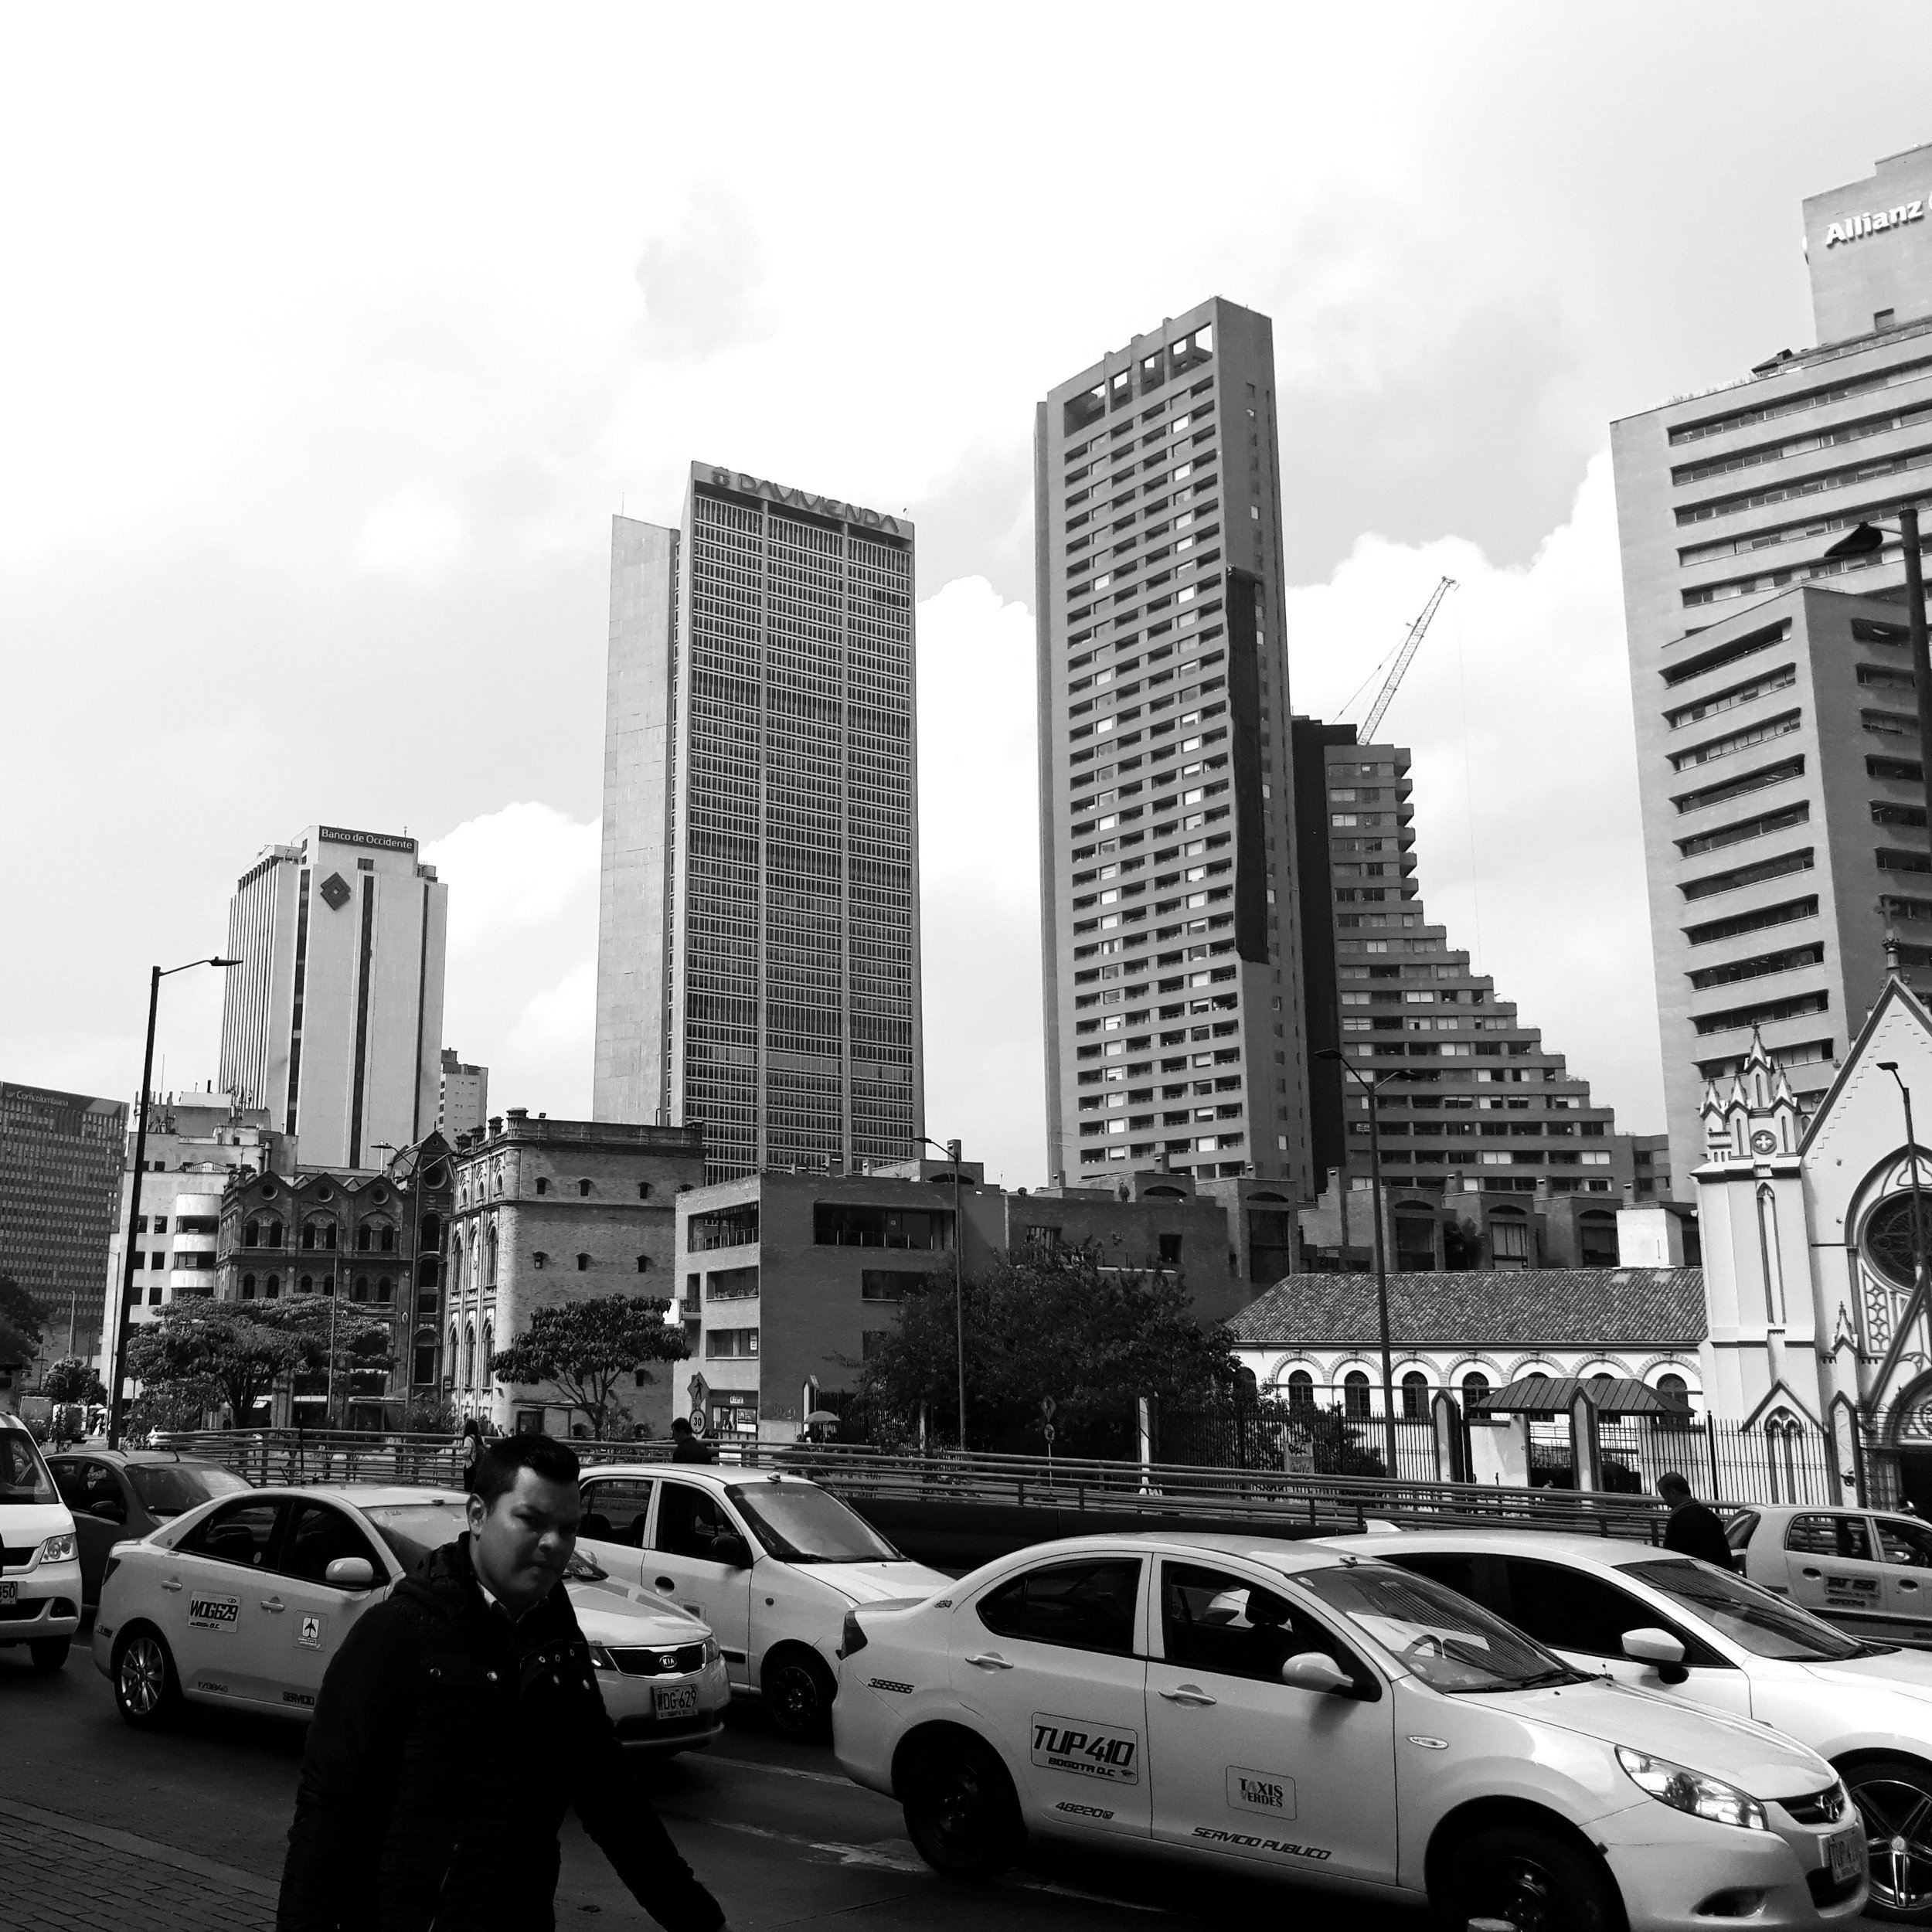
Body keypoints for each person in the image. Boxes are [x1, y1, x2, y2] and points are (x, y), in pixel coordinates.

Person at [276, 1434, 726, 1932]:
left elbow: (612, 1801)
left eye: (568, 1529)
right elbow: (327, 1814)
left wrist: (700, 1921)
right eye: (531, 1521)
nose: (553, 1544)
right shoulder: (398, 1632)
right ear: (477, 1515)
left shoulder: (558, 1638)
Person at [1657, 1471, 1734, 1570]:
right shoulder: (1710, 1516)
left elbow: (1673, 1557)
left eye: (1664, 1496)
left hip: (1694, 1575)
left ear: (1673, 1493)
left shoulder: (1677, 1521)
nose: (1665, 1501)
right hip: (1718, 1573)